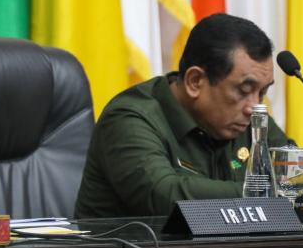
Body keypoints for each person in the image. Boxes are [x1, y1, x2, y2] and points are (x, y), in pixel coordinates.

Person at [75, 13, 289, 218]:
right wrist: (264, 192)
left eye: (262, 92)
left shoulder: (250, 117)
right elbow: (164, 195)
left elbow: (292, 174)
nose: (254, 107)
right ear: (195, 81)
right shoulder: (129, 119)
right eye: (243, 89)